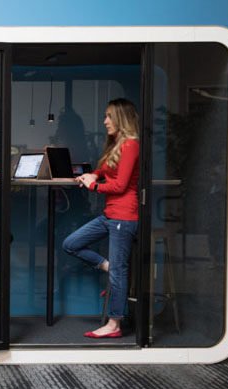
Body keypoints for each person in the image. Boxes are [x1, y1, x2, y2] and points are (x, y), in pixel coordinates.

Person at [62, 98, 140, 339]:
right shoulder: (116, 144)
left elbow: (120, 185)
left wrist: (94, 186)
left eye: (108, 116)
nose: (104, 121)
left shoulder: (131, 145)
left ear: (120, 118)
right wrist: (91, 174)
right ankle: (110, 270)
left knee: (120, 270)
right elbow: (104, 172)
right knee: (71, 244)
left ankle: (114, 324)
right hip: (109, 215)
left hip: (124, 216)